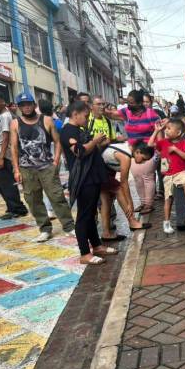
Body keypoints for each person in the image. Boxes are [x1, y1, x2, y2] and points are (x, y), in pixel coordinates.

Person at [10, 92, 75, 242]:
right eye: (22, 105)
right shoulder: (15, 123)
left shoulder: (46, 120)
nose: (26, 107)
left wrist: (56, 161)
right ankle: (44, 228)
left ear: (34, 105)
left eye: (28, 104)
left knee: (57, 196)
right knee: (33, 199)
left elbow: (57, 141)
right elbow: (14, 147)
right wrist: (16, 169)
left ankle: (69, 226)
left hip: (47, 166)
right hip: (26, 168)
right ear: (19, 108)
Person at [64, 101, 117, 265]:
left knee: (91, 213)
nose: (87, 119)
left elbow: (89, 148)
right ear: (75, 114)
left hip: (92, 177)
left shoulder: (78, 129)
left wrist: (98, 142)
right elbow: (79, 151)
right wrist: (94, 141)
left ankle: (97, 246)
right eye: (85, 116)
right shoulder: (67, 131)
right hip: (83, 179)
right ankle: (84, 253)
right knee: (84, 216)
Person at [105, 90, 160, 215]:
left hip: (148, 150)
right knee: (137, 177)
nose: (128, 104)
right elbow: (113, 115)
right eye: (128, 102)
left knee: (147, 176)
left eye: (132, 102)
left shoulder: (151, 114)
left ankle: (148, 204)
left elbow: (159, 132)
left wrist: (159, 148)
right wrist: (103, 110)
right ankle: (142, 203)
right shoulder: (126, 112)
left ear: (140, 103)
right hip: (133, 150)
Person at [148, 118, 185, 233]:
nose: (166, 131)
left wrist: (175, 149)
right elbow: (150, 144)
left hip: (180, 172)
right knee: (168, 199)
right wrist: (156, 131)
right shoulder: (163, 142)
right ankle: (166, 222)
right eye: (166, 128)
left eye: (169, 129)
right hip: (168, 175)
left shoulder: (184, 142)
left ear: (178, 132)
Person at [100, 141, 153, 240]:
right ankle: (132, 222)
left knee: (106, 201)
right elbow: (123, 182)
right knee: (118, 189)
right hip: (99, 171)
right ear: (137, 152)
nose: (143, 162)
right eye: (143, 159)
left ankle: (106, 233)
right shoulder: (126, 156)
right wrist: (130, 203)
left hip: (102, 170)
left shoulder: (125, 147)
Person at [0, 91, 28, 219]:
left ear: (2, 102)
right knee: (0, 184)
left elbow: (6, 137)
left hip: (2, 153)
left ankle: (18, 209)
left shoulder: (6, 116)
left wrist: (1, 158)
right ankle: (11, 207)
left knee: (6, 182)